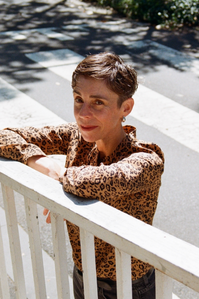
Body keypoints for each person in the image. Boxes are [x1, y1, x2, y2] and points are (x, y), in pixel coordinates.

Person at [0, 52, 164, 299]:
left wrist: (61, 178)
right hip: (83, 273)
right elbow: (6, 135)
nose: (83, 113)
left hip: (128, 286)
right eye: (79, 99)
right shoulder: (77, 137)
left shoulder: (146, 159)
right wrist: (43, 162)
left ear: (125, 107)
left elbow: (98, 181)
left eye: (98, 102)